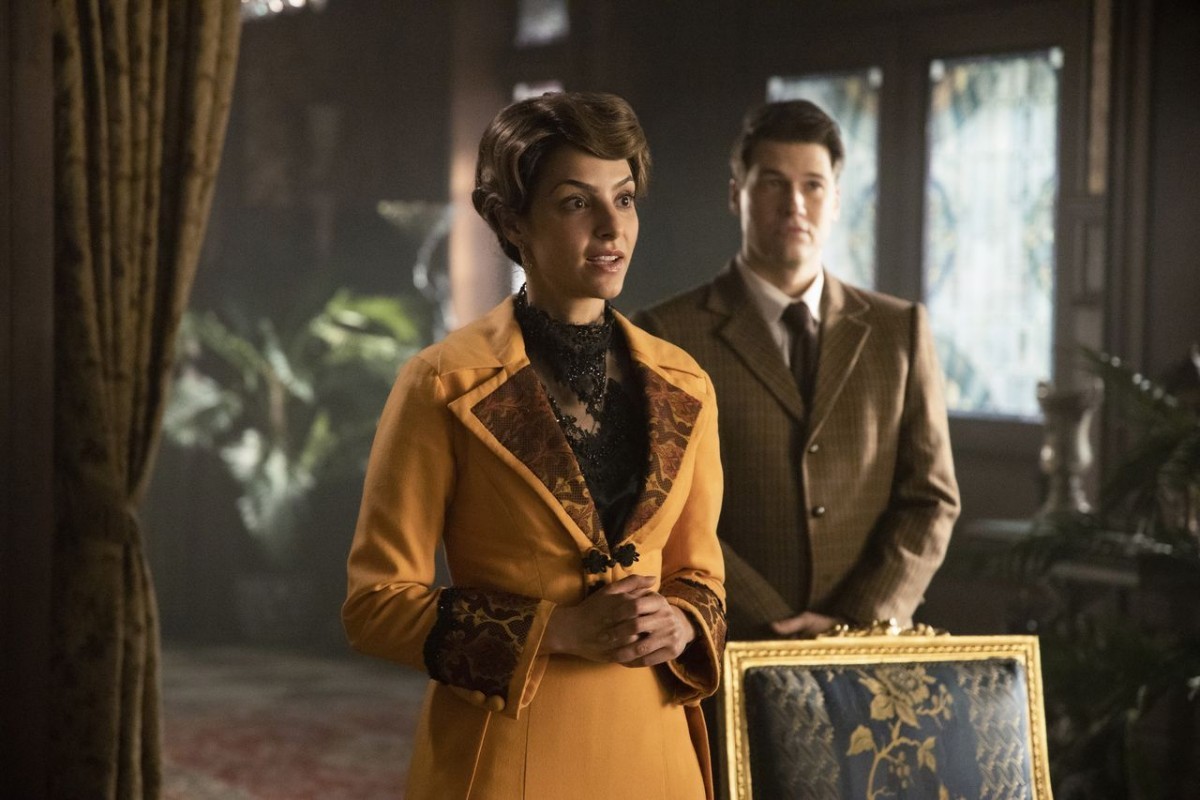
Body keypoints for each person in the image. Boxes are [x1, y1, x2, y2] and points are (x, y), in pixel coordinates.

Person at [343, 91, 727, 800]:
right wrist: (558, 631)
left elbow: (701, 578)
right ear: (511, 221)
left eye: (625, 198)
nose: (612, 227)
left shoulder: (686, 384)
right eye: (577, 202)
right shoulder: (442, 383)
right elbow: (375, 605)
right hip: (507, 755)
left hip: (655, 753)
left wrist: (681, 622)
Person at [636, 98, 959, 640]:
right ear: (736, 194)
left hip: (863, 646)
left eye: (813, 185)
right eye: (772, 183)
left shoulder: (899, 330)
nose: (795, 204)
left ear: (836, 201)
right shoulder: (666, 333)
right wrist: (769, 620)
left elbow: (931, 498)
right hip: (728, 640)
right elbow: (664, 504)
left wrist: (857, 619)